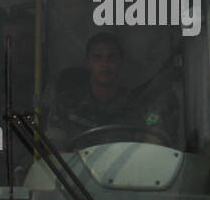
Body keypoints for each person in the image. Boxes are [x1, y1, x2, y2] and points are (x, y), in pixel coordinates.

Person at [43, 32, 180, 150]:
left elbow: (157, 137)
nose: (105, 64)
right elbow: (54, 147)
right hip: (76, 178)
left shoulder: (141, 105)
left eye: (112, 57)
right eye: (97, 57)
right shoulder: (66, 104)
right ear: (87, 63)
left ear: (120, 61)